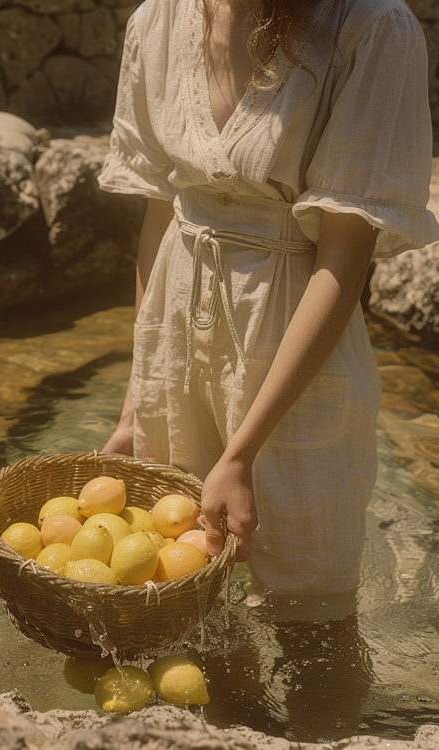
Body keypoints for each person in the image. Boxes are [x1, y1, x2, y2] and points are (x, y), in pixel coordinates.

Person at [98, 0, 439, 606]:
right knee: (182, 592)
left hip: (292, 342)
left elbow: (345, 255)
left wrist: (242, 451)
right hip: (176, 329)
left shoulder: (369, 27)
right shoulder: (159, 19)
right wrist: (135, 405)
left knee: (311, 609)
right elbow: (161, 213)